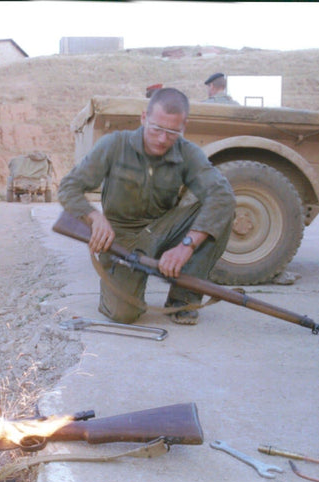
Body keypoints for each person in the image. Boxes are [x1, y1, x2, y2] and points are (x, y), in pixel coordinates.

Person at [58, 88, 236, 325]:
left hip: (164, 229)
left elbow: (221, 196)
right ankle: (117, 289)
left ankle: (182, 300)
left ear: (184, 127)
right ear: (144, 118)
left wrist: (186, 245)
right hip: (121, 236)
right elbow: (69, 187)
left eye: (172, 132)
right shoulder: (114, 145)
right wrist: (94, 217)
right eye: (157, 129)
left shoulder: (188, 153)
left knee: (220, 213)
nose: (163, 139)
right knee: (124, 314)